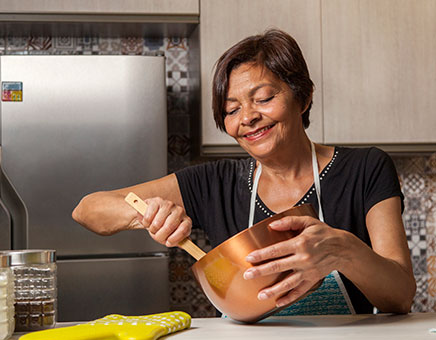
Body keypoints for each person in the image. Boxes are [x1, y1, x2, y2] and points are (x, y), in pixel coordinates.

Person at [72, 29, 416, 315]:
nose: (246, 118)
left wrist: (344, 250)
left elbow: (399, 296)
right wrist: (148, 215)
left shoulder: (366, 168)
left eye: (263, 98)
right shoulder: (215, 182)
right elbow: (88, 210)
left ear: (304, 97)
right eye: (231, 109)